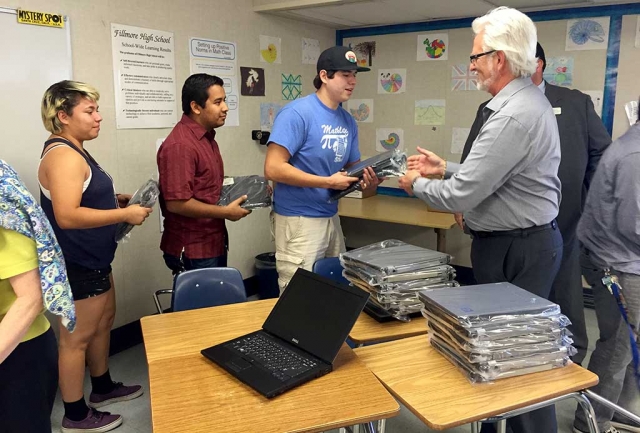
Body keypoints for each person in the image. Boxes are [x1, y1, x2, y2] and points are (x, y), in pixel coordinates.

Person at [399, 7, 563, 433]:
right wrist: (446, 166)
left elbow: (463, 194)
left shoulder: (510, 114)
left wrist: (414, 183)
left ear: (500, 59)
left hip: (515, 247)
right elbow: (500, 174)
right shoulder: (527, 101)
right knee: (504, 352)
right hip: (524, 241)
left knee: (516, 358)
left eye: (476, 57)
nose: (471, 66)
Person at [458, 42, 611, 365]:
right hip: (505, 232)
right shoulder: (491, 108)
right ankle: (505, 376)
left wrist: (594, 207)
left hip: (565, 225)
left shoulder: (574, 103)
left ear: (537, 64)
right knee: (505, 314)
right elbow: (471, 161)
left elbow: (602, 158)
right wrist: (461, 205)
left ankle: (567, 372)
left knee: (565, 304)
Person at [38, 80, 151, 432]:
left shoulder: (77, 149)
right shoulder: (62, 155)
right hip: (78, 261)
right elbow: (67, 215)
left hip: (96, 256)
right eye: (89, 111)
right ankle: (75, 414)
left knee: (104, 321)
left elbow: (81, 196)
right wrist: (123, 215)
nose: (98, 117)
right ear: (63, 116)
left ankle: (102, 388)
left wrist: (111, 200)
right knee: (75, 340)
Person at [264, 45, 380, 292]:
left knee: (334, 290)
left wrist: (369, 178)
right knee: (298, 295)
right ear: (325, 76)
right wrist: (326, 182)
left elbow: (351, 168)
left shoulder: (347, 120)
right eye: (345, 75)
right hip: (298, 219)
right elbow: (273, 168)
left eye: (355, 75)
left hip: (330, 216)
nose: (353, 81)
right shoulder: (297, 113)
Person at [572, 102, 640, 433]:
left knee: (630, 342)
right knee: (617, 343)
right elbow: (633, 226)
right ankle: (591, 422)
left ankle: (621, 412)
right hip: (615, 265)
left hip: (622, 259)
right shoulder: (633, 157)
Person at [0, 159, 75, 432]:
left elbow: (30, 298)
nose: (97, 118)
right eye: (90, 111)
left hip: (17, 348)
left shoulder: (3, 196)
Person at [158, 73, 251, 275]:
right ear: (196, 107)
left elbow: (205, 186)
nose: (225, 107)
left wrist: (248, 192)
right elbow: (176, 202)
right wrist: (226, 212)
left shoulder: (206, 138)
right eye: (217, 102)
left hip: (212, 241)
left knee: (216, 303)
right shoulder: (181, 145)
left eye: (224, 100)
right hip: (194, 248)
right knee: (203, 306)